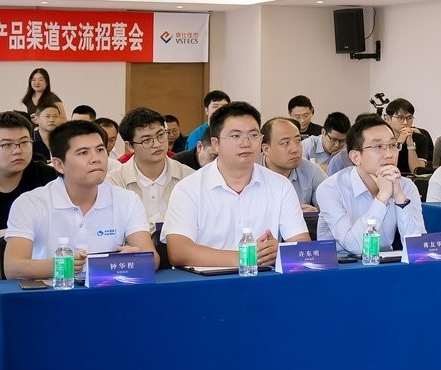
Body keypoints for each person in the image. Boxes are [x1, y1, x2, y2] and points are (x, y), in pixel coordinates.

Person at [162, 102, 308, 269]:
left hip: (263, 279)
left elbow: (301, 243)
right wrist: (247, 257)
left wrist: (280, 251)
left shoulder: (280, 185)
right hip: (206, 281)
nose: (246, 143)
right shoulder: (188, 188)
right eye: (236, 136)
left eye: (253, 135)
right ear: (216, 144)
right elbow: (178, 252)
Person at [4, 120, 155, 278]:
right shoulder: (30, 203)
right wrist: (61, 264)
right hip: (52, 290)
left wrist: (136, 258)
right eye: (83, 153)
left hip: (107, 288)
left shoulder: (127, 200)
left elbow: (152, 259)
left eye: (100, 150)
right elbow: (12, 267)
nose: (96, 159)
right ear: (59, 165)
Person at [316, 115, 424, 255]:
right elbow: (355, 247)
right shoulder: (330, 188)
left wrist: (399, 197)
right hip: (342, 264)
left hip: (386, 262)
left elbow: (418, 247)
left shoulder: (405, 186)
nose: (389, 154)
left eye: (392, 145)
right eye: (378, 146)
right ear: (356, 157)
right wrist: (383, 197)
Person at [108, 107, 192, 227]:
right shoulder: (114, 183)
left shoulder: (189, 177)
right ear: (130, 146)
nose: (157, 144)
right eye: (147, 140)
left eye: (161, 135)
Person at [0, 110, 58, 226]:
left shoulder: (50, 178)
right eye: (7, 144)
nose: (18, 151)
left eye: (24, 142)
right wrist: (11, 234)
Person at [260, 116, 326, 208]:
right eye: (285, 143)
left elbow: (331, 203)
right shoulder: (248, 171)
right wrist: (293, 213)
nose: (295, 149)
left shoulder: (310, 170)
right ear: (266, 149)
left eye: (298, 140)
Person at [384, 97, 432, 175]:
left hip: (412, 180)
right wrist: (399, 143)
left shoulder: (420, 138)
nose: (405, 122)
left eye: (409, 118)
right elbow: (386, 166)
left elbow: (417, 171)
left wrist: (410, 146)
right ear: (388, 119)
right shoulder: (383, 139)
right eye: (400, 118)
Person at [30, 102, 64, 166]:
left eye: (55, 116)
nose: (52, 120)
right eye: (47, 116)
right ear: (36, 119)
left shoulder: (65, 139)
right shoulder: (30, 140)